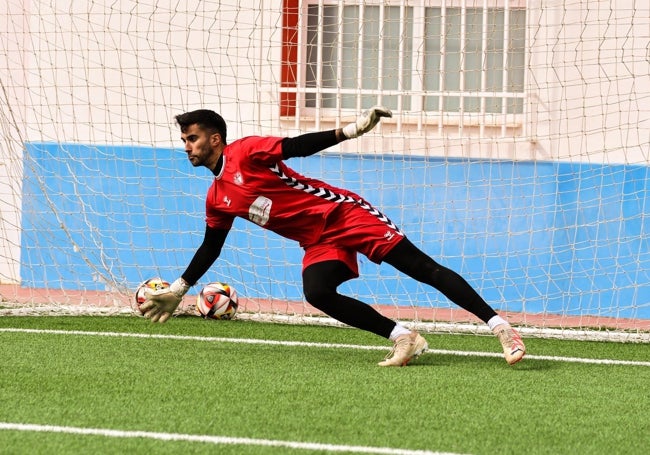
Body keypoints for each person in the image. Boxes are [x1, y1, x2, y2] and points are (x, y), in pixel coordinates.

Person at [140, 107, 526, 367]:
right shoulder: (217, 197)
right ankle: (404, 336)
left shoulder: (246, 152)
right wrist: (180, 287)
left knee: (422, 268)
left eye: (191, 138)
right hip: (318, 241)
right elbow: (212, 245)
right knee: (318, 292)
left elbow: (297, 147)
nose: (186, 146)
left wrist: (350, 130)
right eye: (184, 140)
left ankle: (500, 328)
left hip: (344, 214)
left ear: (215, 139)